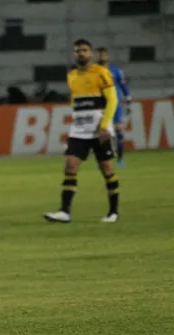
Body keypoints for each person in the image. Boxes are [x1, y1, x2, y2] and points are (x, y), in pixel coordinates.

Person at [44, 39, 119, 224]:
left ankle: (113, 212)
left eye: (84, 50)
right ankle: (64, 211)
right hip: (79, 130)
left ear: (91, 53)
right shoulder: (72, 76)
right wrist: (75, 118)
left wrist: (105, 125)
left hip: (99, 130)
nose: (81, 53)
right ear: (74, 54)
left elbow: (113, 100)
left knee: (107, 169)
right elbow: (75, 101)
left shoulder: (102, 73)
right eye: (78, 51)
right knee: (70, 165)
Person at [97, 47, 132, 168]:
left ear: (107, 56)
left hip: (116, 105)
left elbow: (123, 86)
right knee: (103, 134)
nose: (102, 57)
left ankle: (121, 158)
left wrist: (128, 100)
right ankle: (105, 159)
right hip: (101, 106)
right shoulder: (94, 72)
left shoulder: (116, 71)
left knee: (119, 131)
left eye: (104, 55)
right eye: (100, 55)